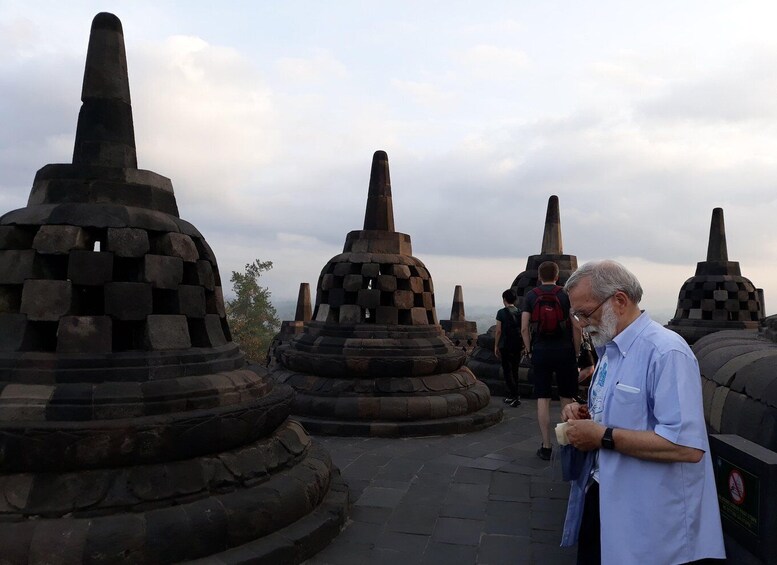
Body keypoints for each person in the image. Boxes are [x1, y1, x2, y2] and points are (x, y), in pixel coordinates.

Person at [560, 260, 725, 564]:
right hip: (603, 496)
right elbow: (616, 413)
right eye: (577, 315)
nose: (582, 324)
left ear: (619, 301)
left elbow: (687, 446)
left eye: (585, 313)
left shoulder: (665, 352)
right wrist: (585, 414)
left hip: (651, 523)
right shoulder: (609, 350)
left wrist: (602, 436)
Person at [520, 261, 581, 460]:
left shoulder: (531, 296)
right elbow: (577, 327)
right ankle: (568, 445)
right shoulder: (566, 295)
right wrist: (577, 351)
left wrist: (529, 350)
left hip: (541, 351)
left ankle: (546, 447)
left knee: (543, 400)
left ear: (539, 276)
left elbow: (524, 327)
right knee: (566, 399)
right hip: (565, 351)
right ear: (557, 276)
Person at [494, 289, 522, 407]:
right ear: (515, 300)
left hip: (505, 345)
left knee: (507, 371)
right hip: (517, 345)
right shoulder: (519, 312)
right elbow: (523, 329)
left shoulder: (501, 313)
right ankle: (513, 395)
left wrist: (496, 345)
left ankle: (514, 396)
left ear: (504, 300)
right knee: (515, 370)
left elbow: (498, 331)